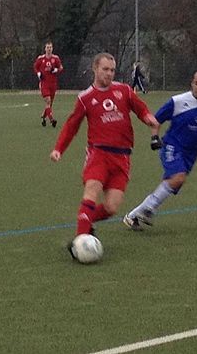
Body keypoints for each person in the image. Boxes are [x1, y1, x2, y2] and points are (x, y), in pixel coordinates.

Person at [50, 53, 160, 257]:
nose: (109, 73)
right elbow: (71, 126)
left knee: (111, 207)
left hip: (122, 157)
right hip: (98, 153)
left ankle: (86, 220)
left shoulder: (124, 91)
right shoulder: (85, 98)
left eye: (112, 70)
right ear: (95, 69)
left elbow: (141, 109)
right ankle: (79, 242)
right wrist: (59, 149)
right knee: (92, 190)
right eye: (105, 69)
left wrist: (149, 119)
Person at [123, 68, 197, 230]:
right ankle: (149, 209)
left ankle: (133, 216)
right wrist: (154, 138)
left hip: (191, 154)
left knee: (173, 182)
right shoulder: (178, 101)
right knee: (178, 177)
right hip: (172, 146)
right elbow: (155, 120)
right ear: (191, 83)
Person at [33, 42, 64, 127]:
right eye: (47, 47)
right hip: (44, 84)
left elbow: (61, 67)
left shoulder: (55, 58)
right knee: (48, 101)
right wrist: (38, 73)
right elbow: (35, 67)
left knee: (49, 104)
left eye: (50, 47)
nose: (49, 49)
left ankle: (43, 117)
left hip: (53, 84)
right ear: (45, 49)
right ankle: (52, 120)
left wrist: (56, 70)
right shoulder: (41, 59)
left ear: (52, 48)